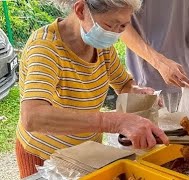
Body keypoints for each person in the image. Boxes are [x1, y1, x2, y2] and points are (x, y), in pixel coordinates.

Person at [15, 0, 168, 178]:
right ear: (80, 10)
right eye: (110, 24)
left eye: (123, 26)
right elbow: (33, 117)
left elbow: (124, 84)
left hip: (86, 154)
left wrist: (138, 94)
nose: (115, 33)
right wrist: (114, 122)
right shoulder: (45, 48)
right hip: (44, 158)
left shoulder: (102, 48)